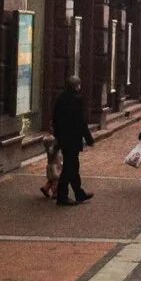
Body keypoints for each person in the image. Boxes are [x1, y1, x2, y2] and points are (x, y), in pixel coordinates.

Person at [51, 76, 95, 206]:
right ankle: (62, 196)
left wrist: (58, 136)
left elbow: (55, 119)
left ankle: (79, 193)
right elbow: (81, 122)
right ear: (77, 86)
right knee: (69, 168)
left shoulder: (61, 98)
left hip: (64, 139)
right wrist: (89, 138)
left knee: (73, 166)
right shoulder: (76, 100)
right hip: (73, 139)